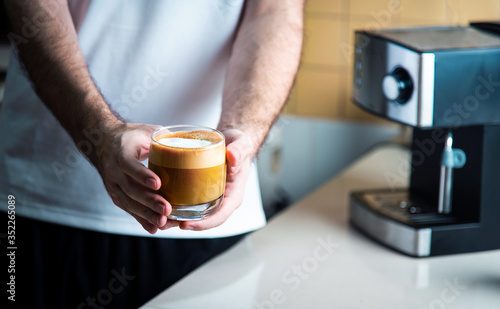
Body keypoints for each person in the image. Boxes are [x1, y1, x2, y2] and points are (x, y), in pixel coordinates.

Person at [1, 0, 303, 308]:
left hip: (215, 211)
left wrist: (243, 137)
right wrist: (99, 134)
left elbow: (276, 11)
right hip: (45, 196)